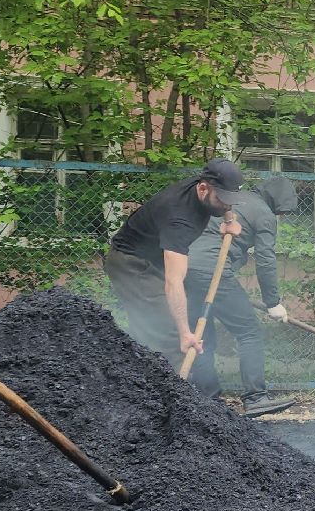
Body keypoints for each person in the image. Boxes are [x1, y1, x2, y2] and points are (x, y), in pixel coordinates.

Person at [102, 160, 245, 373]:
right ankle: (168, 390)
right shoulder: (178, 220)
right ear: (203, 188)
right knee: (168, 333)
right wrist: (185, 334)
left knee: (160, 326)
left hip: (154, 260)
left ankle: (142, 377)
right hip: (132, 265)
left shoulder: (207, 186)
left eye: (230, 200)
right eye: (222, 200)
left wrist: (229, 219)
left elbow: (225, 200)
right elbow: (173, 282)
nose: (226, 205)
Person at [183, 176, 299, 417]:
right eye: (281, 211)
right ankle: (255, 397)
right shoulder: (263, 213)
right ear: (277, 201)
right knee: (249, 333)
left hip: (182, 269)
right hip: (213, 271)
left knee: (202, 337)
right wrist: (273, 303)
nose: (279, 215)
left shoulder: (229, 200)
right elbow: (265, 259)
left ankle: (207, 400)